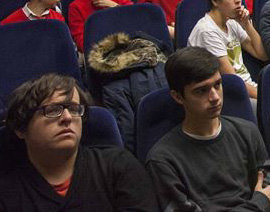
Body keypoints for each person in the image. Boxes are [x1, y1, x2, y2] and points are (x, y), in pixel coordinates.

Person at [146, 47, 270, 211]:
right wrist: (258, 205)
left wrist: (263, 202)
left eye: (217, 85)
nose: (215, 97)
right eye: (201, 91)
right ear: (178, 97)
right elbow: (265, 200)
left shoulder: (247, 132)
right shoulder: (162, 159)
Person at [0, 74, 158, 210]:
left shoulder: (119, 167)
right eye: (53, 110)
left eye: (75, 109)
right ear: (21, 128)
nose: (68, 117)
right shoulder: (7, 191)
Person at [188, 0, 266, 101]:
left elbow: (262, 55)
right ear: (215, 1)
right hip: (231, 95)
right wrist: (265, 99)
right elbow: (232, 81)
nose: (238, 0)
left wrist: (247, 24)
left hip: (248, 88)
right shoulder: (207, 31)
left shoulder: (231, 22)